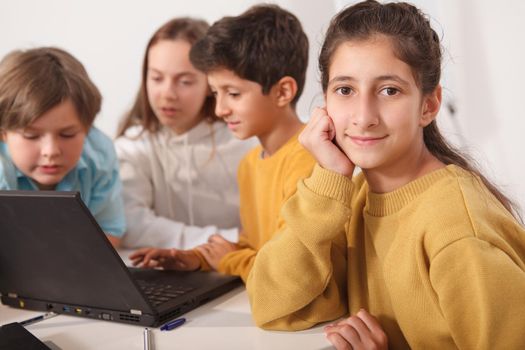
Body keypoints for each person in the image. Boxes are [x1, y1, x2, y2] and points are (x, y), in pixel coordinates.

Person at [246, 1, 525, 349]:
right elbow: (273, 306)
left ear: (429, 105)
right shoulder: (354, 196)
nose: (364, 116)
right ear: (325, 104)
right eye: (345, 90)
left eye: (389, 90)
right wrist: (327, 179)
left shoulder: (456, 230)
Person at [130, 5, 316, 283]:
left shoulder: (310, 162)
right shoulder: (251, 164)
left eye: (233, 93)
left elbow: (289, 275)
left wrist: (227, 259)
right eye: (216, 93)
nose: (219, 109)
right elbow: (257, 249)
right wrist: (197, 258)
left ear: (283, 92)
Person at [115, 18, 254, 249]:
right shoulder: (132, 147)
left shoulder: (244, 140)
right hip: (162, 276)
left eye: (185, 81)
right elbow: (131, 226)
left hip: (237, 269)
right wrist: (230, 239)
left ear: (210, 83)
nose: (168, 93)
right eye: (157, 78)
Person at [0, 47, 125, 247]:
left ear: (87, 129)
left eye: (67, 135)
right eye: (32, 136)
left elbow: (109, 233)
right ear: (3, 133)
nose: (51, 151)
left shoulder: (99, 155)